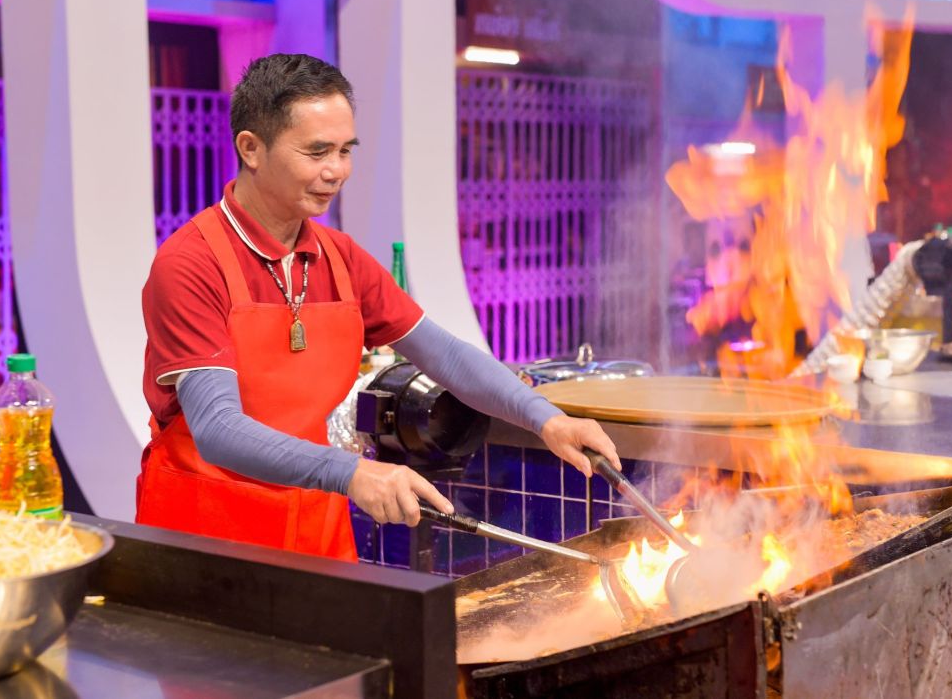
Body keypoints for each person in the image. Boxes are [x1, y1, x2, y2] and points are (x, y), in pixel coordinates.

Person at [137, 54, 620, 562]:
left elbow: (445, 355)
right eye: (317, 152)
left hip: (315, 523)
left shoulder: (340, 258)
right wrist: (351, 472)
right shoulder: (191, 263)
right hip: (207, 533)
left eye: (345, 150)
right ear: (251, 148)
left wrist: (547, 419)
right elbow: (217, 428)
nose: (336, 171)